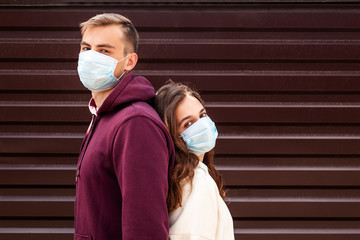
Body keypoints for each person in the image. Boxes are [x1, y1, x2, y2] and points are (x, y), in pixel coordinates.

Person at [74, 13, 174, 240]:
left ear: (129, 61)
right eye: (85, 48)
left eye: (104, 51)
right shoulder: (105, 115)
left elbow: (145, 227)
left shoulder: (135, 123)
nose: (90, 57)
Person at [155, 81, 235, 240]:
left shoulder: (176, 180)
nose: (203, 125)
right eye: (188, 123)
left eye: (203, 115)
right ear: (172, 136)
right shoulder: (196, 182)